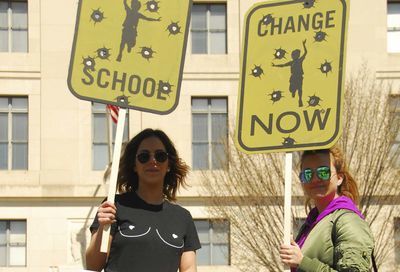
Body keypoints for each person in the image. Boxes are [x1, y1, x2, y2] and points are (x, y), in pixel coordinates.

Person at [86, 128, 201, 272]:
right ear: (134, 165)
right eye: (144, 156)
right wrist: (103, 226)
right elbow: (92, 265)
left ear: (169, 165)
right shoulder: (114, 206)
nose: (153, 161)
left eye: (160, 156)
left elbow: (189, 268)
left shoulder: (183, 218)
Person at [280, 147, 375, 271]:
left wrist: (302, 262)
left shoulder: (348, 221)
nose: (314, 179)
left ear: (339, 178)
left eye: (323, 172)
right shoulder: (311, 223)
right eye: (307, 174)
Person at [272, 39, 307, 107]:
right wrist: (275, 65)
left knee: (300, 88)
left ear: (297, 56)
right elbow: (283, 65)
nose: (293, 56)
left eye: (294, 55)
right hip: (293, 77)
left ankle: (300, 99)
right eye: (292, 55)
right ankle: (293, 91)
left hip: (299, 76)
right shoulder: (291, 62)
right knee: (291, 89)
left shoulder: (299, 60)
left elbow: (305, 52)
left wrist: (304, 45)